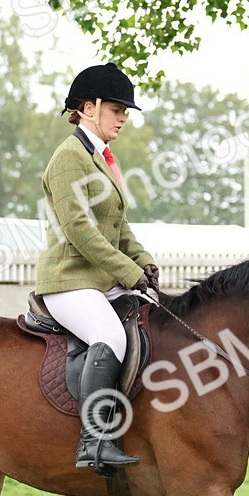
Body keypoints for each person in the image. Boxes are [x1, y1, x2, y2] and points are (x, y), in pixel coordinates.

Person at [37, 63, 159, 470]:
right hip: (69, 280)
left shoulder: (103, 158)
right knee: (111, 335)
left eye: (126, 111)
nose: (123, 118)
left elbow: (118, 226)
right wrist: (128, 272)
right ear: (89, 108)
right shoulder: (69, 157)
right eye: (117, 109)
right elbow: (79, 230)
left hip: (100, 279)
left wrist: (143, 260)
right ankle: (93, 441)